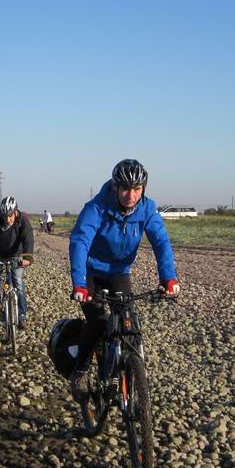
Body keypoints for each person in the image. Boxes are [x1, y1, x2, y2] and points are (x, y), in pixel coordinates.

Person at [68, 159, 180, 402]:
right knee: (98, 322)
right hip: (91, 271)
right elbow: (80, 242)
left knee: (128, 323)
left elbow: (161, 242)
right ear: (115, 187)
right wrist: (79, 284)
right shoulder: (96, 207)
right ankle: (81, 370)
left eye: (137, 189)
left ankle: (126, 371)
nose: (131, 195)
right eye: (126, 189)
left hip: (119, 272)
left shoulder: (147, 208)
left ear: (144, 188)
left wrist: (168, 278)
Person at [0, 196, 34, 329]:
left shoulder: (23, 220)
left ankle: (22, 316)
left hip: (17, 255)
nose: (7, 219)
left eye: (10, 216)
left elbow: (28, 237)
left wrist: (27, 257)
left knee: (18, 283)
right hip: (0, 255)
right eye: (4, 216)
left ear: (15, 212)